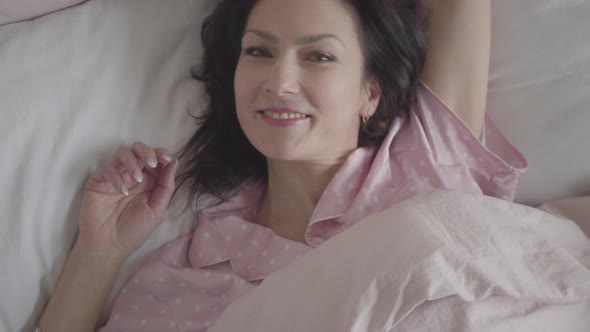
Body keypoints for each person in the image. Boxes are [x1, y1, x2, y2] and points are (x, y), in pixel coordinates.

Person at [37, 0, 527, 331]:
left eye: (318, 56)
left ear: (370, 92)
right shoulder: (190, 267)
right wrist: (99, 252)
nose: (280, 80)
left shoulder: (428, 159)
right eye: (259, 51)